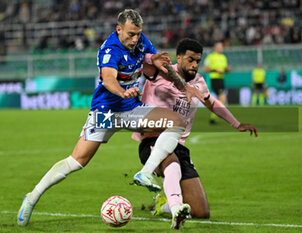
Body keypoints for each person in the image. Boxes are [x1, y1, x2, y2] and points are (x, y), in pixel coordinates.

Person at [17, 9, 203, 227]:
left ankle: (144, 173)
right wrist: (122, 92)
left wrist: (184, 85)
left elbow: (159, 66)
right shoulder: (109, 50)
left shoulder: (141, 41)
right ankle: (32, 197)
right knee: (77, 161)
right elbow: (108, 80)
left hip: (131, 109)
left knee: (176, 122)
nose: (135, 39)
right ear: (119, 29)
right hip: (106, 112)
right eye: (131, 34)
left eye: (138, 34)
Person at [133, 38, 258, 229]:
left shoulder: (199, 82)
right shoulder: (161, 72)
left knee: (201, 211)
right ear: (179, 57)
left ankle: (163, 206)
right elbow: (139, 60)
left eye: (198, 61)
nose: (194, 65)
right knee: (170, 161)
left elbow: (212, 103)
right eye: (190, 59)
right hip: (152, 140)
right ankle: (176, 211)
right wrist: (150, 57)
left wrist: (237, 124)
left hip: (179, 146)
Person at [203, 41, 232, 124]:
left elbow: (224, 69)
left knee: (220, 99)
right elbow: (205, 69)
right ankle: (214, 117)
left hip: (221, 79)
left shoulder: (223, 57)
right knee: (222, 98)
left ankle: (213, 117)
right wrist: (216, 70)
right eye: (219, 47)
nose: (221, 48)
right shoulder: (210, 57)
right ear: (215, 48)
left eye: (222, 47)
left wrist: (227, 69)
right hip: (214, 79)